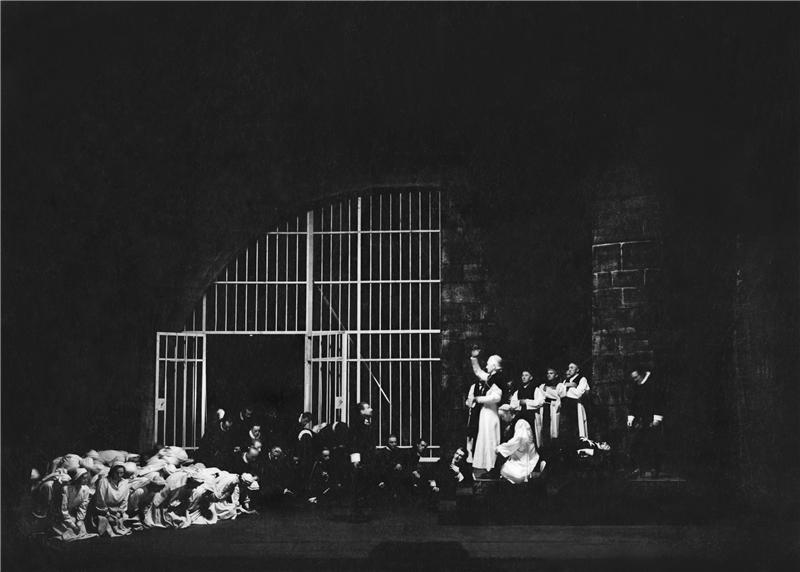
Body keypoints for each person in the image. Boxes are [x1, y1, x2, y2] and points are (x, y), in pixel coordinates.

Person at [467, 347, 504, 478]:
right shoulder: (490, 377)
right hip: (485, 412)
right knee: (485, 438)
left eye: (488, 364)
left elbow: (497, 397)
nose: (486, 366)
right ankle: (486, 466)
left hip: (491, 413)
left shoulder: (498, 378)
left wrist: (479, 399)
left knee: (491, 439)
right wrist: (474, 358)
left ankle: (491, 466)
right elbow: (478, 371)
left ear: (494, 366)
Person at [626, 367, 666, 477]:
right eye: (633, 378)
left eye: (636, 377)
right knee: (636, 443)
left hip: (652, 419)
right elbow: (634, 403)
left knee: (654, 444)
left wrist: (656, 419)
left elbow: (659, 402)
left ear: (642, 375)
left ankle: (655, 469)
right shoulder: (636, 386)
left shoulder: (652, 385)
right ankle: (638, 469)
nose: (635, 380)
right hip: (641, 419)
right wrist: (631, 418)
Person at [496, 404, 541, 484]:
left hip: (526, 454)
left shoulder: (521, 422)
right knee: (504, 469)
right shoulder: (513, 423)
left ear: (508, 413)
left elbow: (518, 440)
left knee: (510, 471)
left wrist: (501, 448)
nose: (502, 419)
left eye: (503, 416)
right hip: (520, 450)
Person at [51, 467, 97, 541]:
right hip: (61, 516)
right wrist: (72, 525)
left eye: (87, 478)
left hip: (72, 514)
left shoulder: (86, 489)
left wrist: (80, 520)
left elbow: (83, 507)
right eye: (84, 478)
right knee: (70, 529)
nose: (86, 480)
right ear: (77, 478)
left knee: (79, 527)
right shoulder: (66, 489)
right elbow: (63, 509)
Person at [349, 402, 377, 517]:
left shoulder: (368, 422)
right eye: (368, 407)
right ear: (361, 411)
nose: (371, 409)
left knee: (365, 483)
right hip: (361, 459)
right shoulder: (357, 424)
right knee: (359, 484)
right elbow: (353, 442)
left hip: (368, 458)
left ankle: (362, 510)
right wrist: (356, 459)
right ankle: (357, 511)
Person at [91, 461, 132, 537]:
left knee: (123, 519)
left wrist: (120, 511)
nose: (119, 475)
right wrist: (107, 514)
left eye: (121, 473)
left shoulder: (125, 483)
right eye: (116, 473)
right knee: (105, 521)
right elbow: (100, 500)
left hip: (116, 509)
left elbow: (125, 499)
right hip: (103, 509)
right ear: (112, 472)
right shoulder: (103, 481)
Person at [557, 362, 590, 443]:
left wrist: (566, 388)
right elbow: (560, 393)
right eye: (569, 368)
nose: (569, 370)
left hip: (576, 406)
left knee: (578, 429)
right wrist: (569, 385)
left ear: (577, 370)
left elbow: (578, 394)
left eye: (572, 368)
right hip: (566, 407)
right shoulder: (566, 380)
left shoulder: (582, 379)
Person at [510, 370, 544, 440]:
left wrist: (526, 402)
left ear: (531, 378)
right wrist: (519, 402)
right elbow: (512, 403)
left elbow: (540, 402)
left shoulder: (535, 389)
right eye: (522, 375)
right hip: (520, 414)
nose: (524, 377)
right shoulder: (518, 391)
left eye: (526, 375)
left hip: (531, 415)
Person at [377, 434, 407, 500]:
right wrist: (394, 466)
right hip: (387, 480)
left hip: (398, 480)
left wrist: (400, 465)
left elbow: (404, 463)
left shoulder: (400, 451)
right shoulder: (382, 453)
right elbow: (381, 467)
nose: (394, 444)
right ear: (387, 442)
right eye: (391, 442)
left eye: (395, 442)